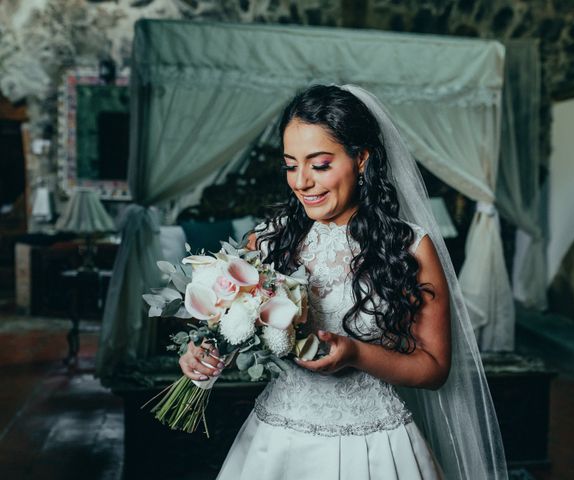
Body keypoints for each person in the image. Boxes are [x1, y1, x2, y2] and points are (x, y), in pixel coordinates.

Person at [179, 85, 507, 479]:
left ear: (361, 159)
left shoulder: (410, 248)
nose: (301, 182)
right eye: (290, 165)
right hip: (279, 441)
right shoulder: (267, 240)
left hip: (374, 446)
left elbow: (434, 369)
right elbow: (241, 333)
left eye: (319, 165)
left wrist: (355, 354)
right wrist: (207, 352)